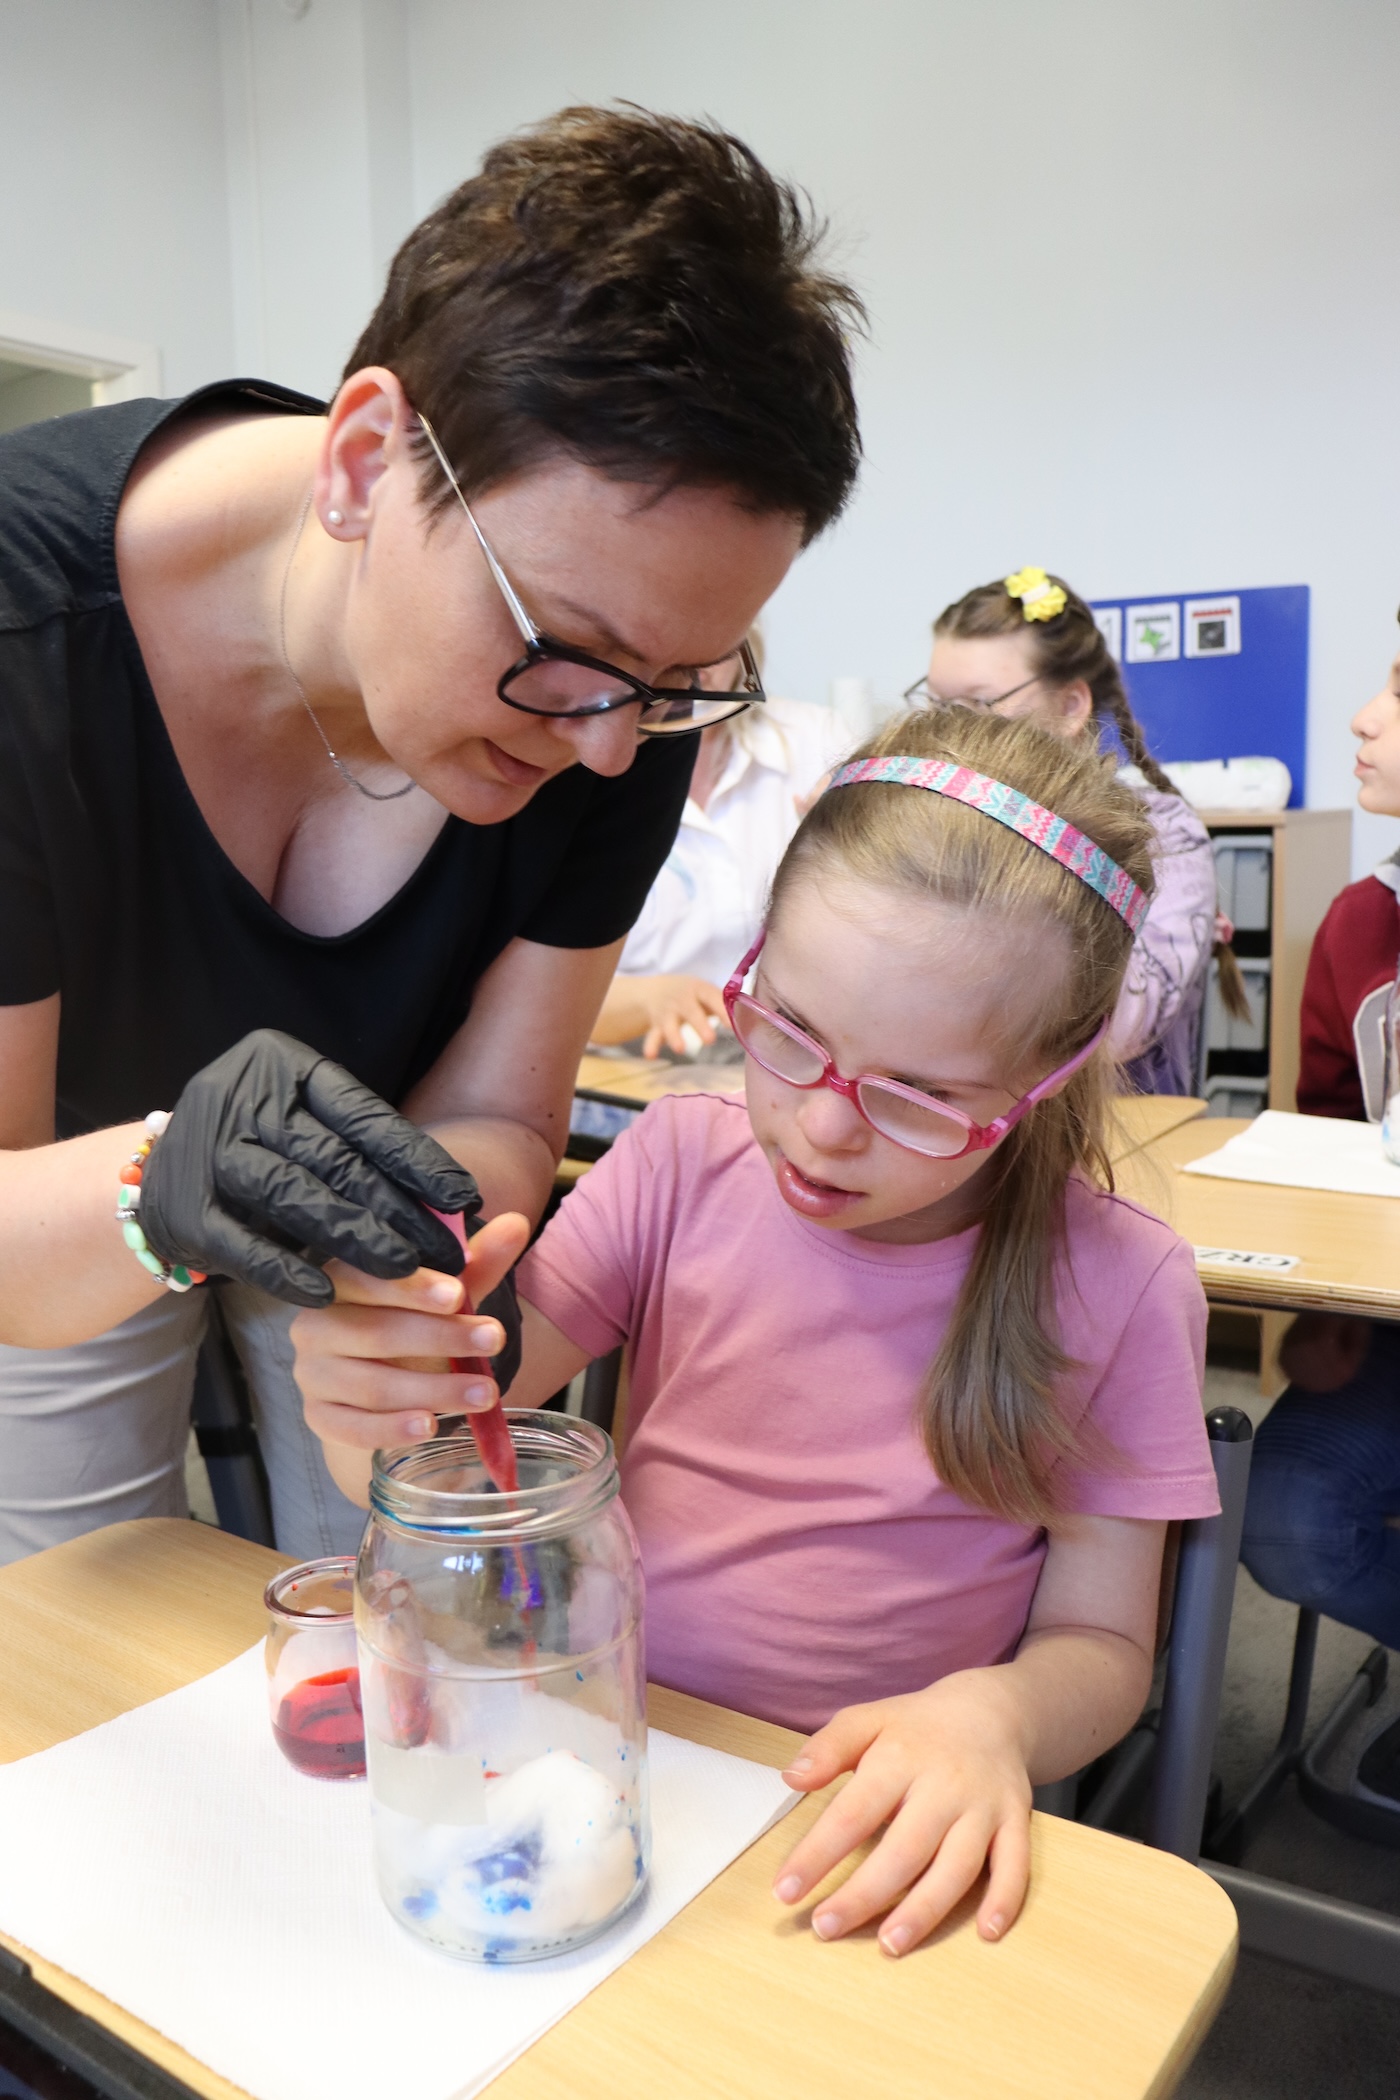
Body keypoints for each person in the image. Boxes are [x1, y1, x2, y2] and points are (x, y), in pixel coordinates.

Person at [0, 106, 863, 1563]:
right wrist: (157, 1185)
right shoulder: (24, 639)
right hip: (67, 1182)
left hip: (380, 1180)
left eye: (675, 684)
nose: (606, 747)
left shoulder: (621, 701)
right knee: (76, 1601)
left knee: (410, 1582)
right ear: (361, 462)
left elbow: (503, 1115)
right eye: (565, 648)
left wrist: (423, 1279)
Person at [298, 704, 1219, 1956]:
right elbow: (439, 1452)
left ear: (1048, 1079)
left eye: (918, 1098)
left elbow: (1100, 1646)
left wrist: (993, 1719)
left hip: (856, 1815)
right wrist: (375, 1400)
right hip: (602, 1749)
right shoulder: (677, 1160)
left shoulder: (1119, 1284)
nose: (822, 1128)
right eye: (786, 1033)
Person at [913, 567, 1238, 1093]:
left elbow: (1125, 1030)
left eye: (978, 705)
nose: (950, 731)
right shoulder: (931, 820)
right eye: (937, 706)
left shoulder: (1163, 833)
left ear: (1069, 707)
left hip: (1122, 1127)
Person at [1239, 630, 1400, 1652]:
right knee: (1283, 1517)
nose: (1362, 718)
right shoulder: (1358, 922)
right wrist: (1324, 1309)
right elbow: (1327, 1136)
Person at [588, 637, 847, 1057]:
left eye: (708, 640)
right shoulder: (586, 765)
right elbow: (531, 989)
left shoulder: (818, 740)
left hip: (787, 1058)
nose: (688, 664)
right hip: (630, 1068)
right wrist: (647, 999)